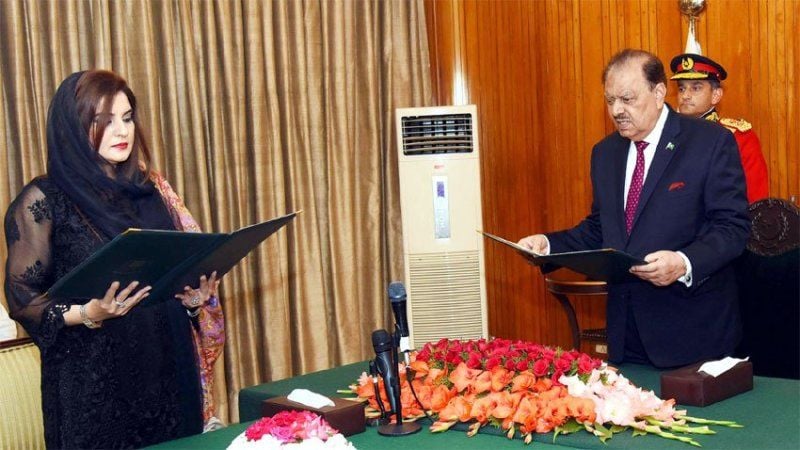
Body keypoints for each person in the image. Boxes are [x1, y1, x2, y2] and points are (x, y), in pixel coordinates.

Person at [3, 70, 225, 448]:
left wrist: (192, 302)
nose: (121, 132)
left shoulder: (149, 190)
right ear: (73, 128)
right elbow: (23, 300)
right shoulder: (44, 200)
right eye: (103, 122)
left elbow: (165, 273)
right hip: (94, 387)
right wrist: (89, 312)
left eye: (126, 118)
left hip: (169, 375)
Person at [519, 49, 750, 369]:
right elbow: (602, 228)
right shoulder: (605, 153)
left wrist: (684, 262)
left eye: (627, 99)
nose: (617, 110)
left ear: (658, 93)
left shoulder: (709, 142)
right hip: (626, 335)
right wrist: (549, 244)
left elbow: (732, 227)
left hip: (694, 334)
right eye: (610, 100)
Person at [670, 53, 769, 203]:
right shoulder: (666, 135)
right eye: (682, 89)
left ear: (716, 95)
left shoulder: (740, 138)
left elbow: (756, 202)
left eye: (696, 88)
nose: (686, 96)